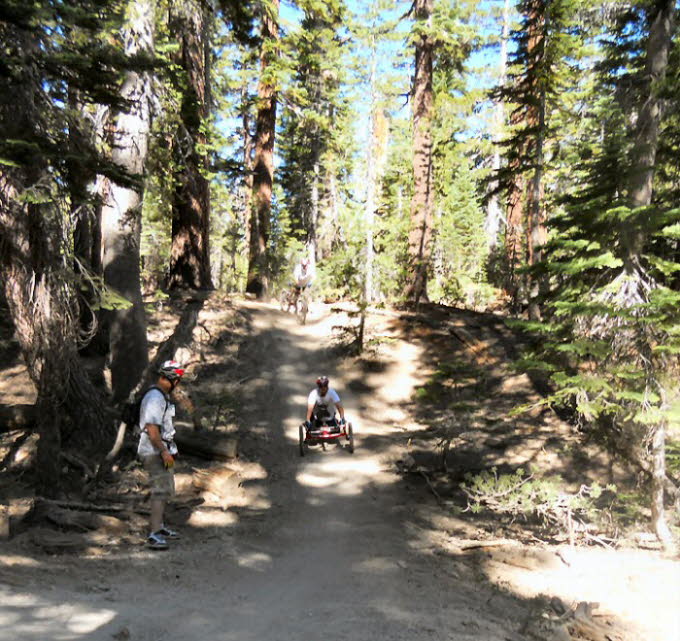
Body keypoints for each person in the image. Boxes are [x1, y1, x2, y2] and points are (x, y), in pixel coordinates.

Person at [137, 360, 185, 550]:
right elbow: (151, 429)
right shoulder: (155, 398)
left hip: (164, 451)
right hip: (155, 452)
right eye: (178, 380)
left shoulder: (162, 396)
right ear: (171, 379)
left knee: (166, 488)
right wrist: (164, 452)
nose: (178, 384)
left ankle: (160, 527)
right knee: (159, 490)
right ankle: (154, 533)